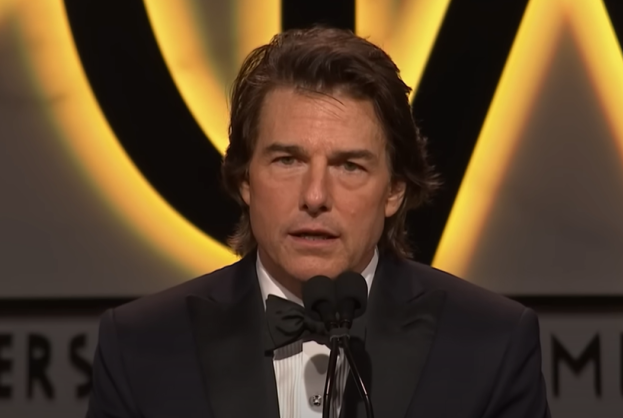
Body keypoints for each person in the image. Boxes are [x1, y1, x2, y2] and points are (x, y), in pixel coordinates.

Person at [86, 26, 550, 418]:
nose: (315, 197)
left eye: (349, 166)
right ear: (245, 179)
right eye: (288, 160)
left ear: (394, 190)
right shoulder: (140, 348)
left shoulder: (491, 345)